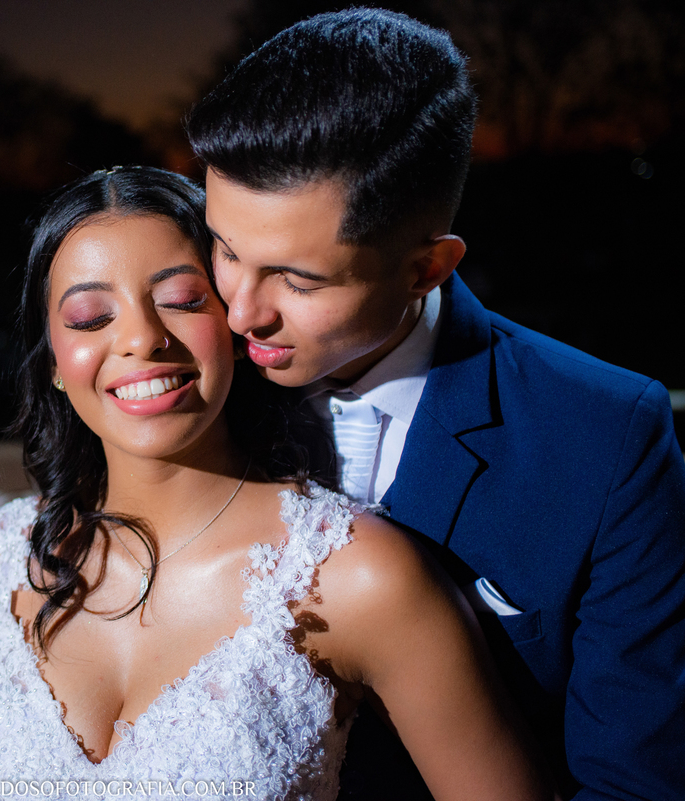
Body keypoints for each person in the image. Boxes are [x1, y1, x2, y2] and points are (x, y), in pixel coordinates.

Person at [185, 9, 685, 801]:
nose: (241, 311)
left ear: (426, 269)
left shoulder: (607, 435)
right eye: (225, 247)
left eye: (297, 279)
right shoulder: (191, 381)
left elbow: (633, 784)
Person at [0, 166, 554, 801]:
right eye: (89, 317)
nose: (140, 338)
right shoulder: (4, 559)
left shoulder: (353, 574)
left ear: (235, 324)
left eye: (181, 300)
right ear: (54, 359)